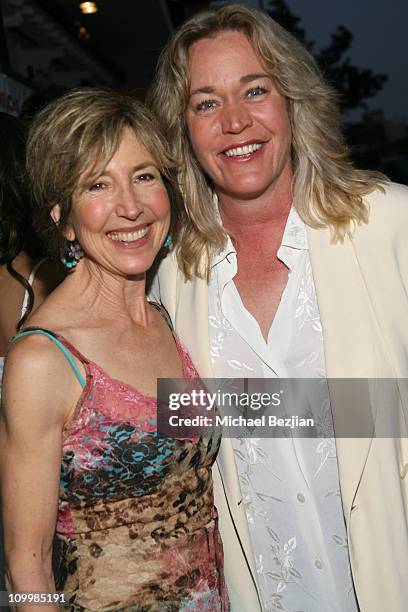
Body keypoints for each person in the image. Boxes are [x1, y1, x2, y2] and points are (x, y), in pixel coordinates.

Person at [147, 4, 408, 612]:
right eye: (206, 103)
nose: (235, 122)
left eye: (255, 90)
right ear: (181, 127)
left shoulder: (389, 225)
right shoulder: (169, 278)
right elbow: (187, 440)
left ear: (293, 100)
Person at [0, 89, 229, 611]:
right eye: (98, 185)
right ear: (63, 217)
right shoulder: (43, 359)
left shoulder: (168, 317)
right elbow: (26, 564)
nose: (130, 206)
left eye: (144, 176)